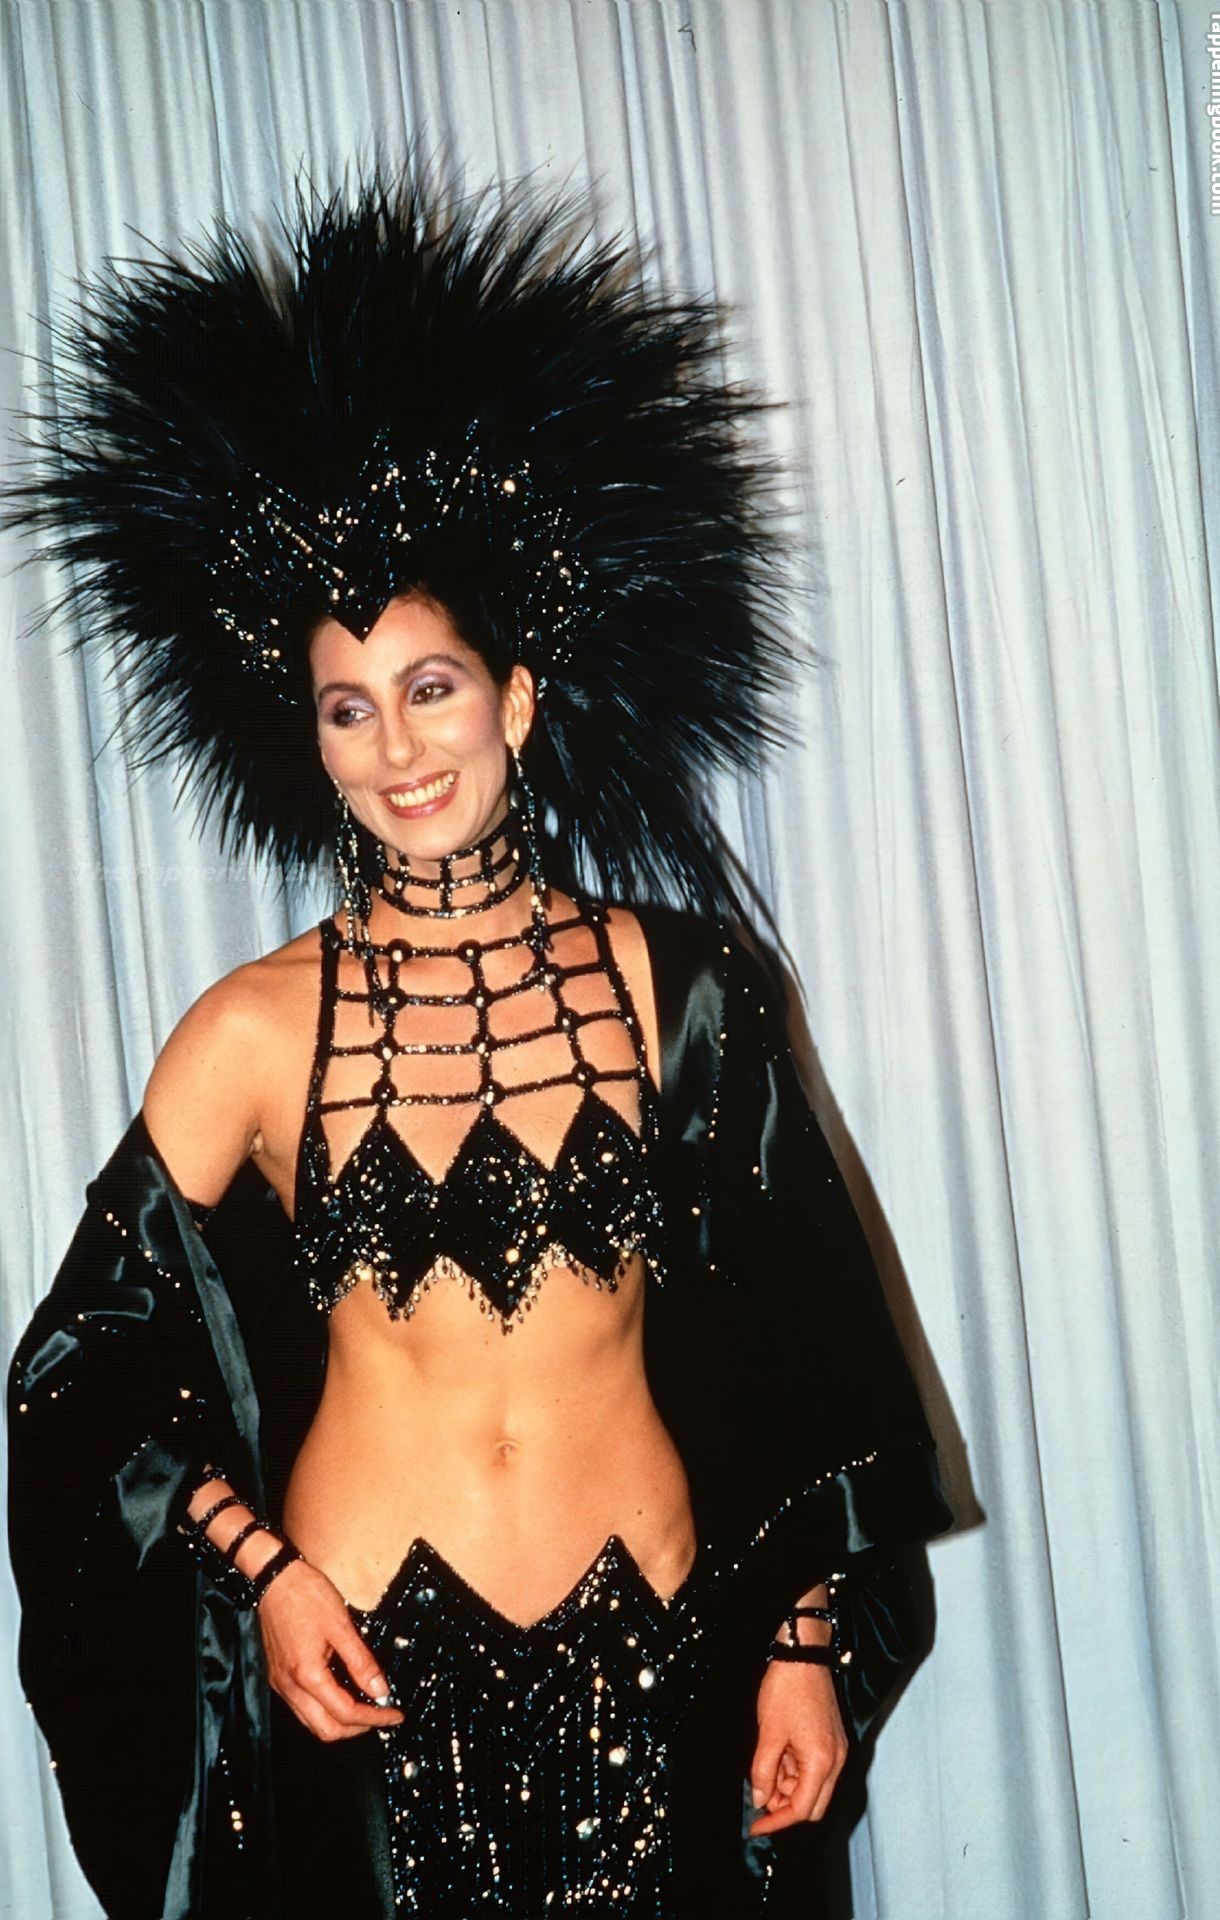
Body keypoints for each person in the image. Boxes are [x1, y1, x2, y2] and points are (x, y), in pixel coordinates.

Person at [4, 167, 951, 1918]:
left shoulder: (684, 988)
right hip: (369, 1692)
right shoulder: (249, 1030)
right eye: (348, 709)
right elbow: (82, 1379)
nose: (398, 749)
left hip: (657, 1676)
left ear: (514, 695)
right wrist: (266, 1574)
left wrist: (804, 1645)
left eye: (431, 688)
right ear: (311, 740)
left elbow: (807, 1348)